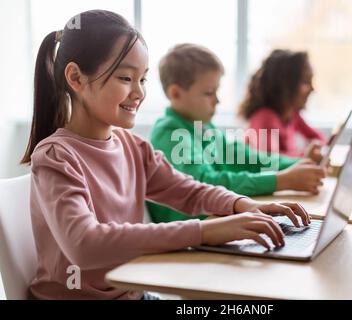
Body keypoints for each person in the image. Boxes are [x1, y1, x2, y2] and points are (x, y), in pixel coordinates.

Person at [22, 10, 311, 300]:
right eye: (125, 77)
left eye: (143, 79)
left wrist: (240, 205)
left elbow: (189, 190)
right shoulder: (55, 157)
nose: (139, 93)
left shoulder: (133, 147)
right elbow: (84, 245)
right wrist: (205, 231)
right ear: (75, 77)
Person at [148, 44, 326, 223]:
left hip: (214, 221)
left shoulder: (205, 128)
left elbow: (250, 158)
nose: (217, 100)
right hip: (189, 233)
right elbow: (206, 184)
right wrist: (281, 180)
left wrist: (301, 163)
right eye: (209, 93)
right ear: (175, 94)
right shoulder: (170, 131)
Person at [238, 49, 326, 161]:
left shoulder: (292, 115)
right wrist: (305, 156)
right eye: (305, 82)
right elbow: (268, 160)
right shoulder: (265, 118)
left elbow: (318, 138)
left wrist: (316, 149)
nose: (312, 89)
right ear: (285, 85)